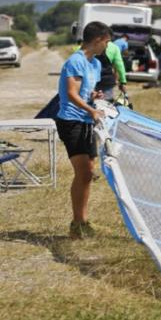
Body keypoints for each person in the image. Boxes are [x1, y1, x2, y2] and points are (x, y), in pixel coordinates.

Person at [55, 21, 109, 239]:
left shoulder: (94, 63)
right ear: (97, 40)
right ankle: (78, 223)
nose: (107, 46)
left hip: (86, 121)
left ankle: (82, 221)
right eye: (106, 42)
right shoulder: (75, 62)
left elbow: (84, 92)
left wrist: (94, 97)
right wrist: (91, 109)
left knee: (87, 173)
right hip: (71, 121)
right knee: (84, 172)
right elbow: (71, 94)